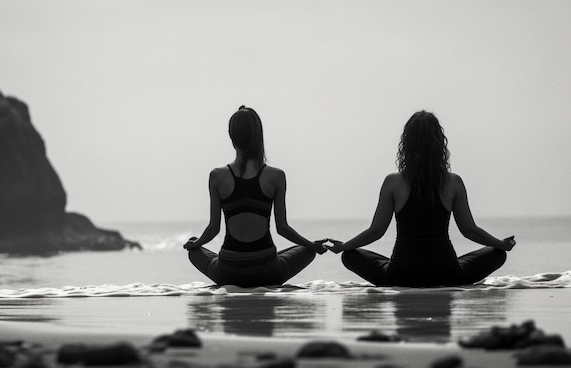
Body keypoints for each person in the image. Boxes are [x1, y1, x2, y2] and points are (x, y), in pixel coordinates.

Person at [328, 110, 516, 287]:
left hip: (400, 275)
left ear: (406, 144)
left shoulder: (393, 182)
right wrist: (502, 245)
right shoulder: (453, 182)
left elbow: (376, 231)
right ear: (439, 144)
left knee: (349, 255)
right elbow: (470, 231)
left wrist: (344, 246)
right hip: (448, 274)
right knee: (497, 254)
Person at [184, 106, 327, 287]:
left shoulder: (217, 176)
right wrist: (313, 246)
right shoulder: (276, 176)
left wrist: (195, 243)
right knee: (307, 250)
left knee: (194, 250)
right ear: (259, 134)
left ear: (231, 136)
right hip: (268, 271)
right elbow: (283, 228)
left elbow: (213, 229)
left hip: (228, 272)